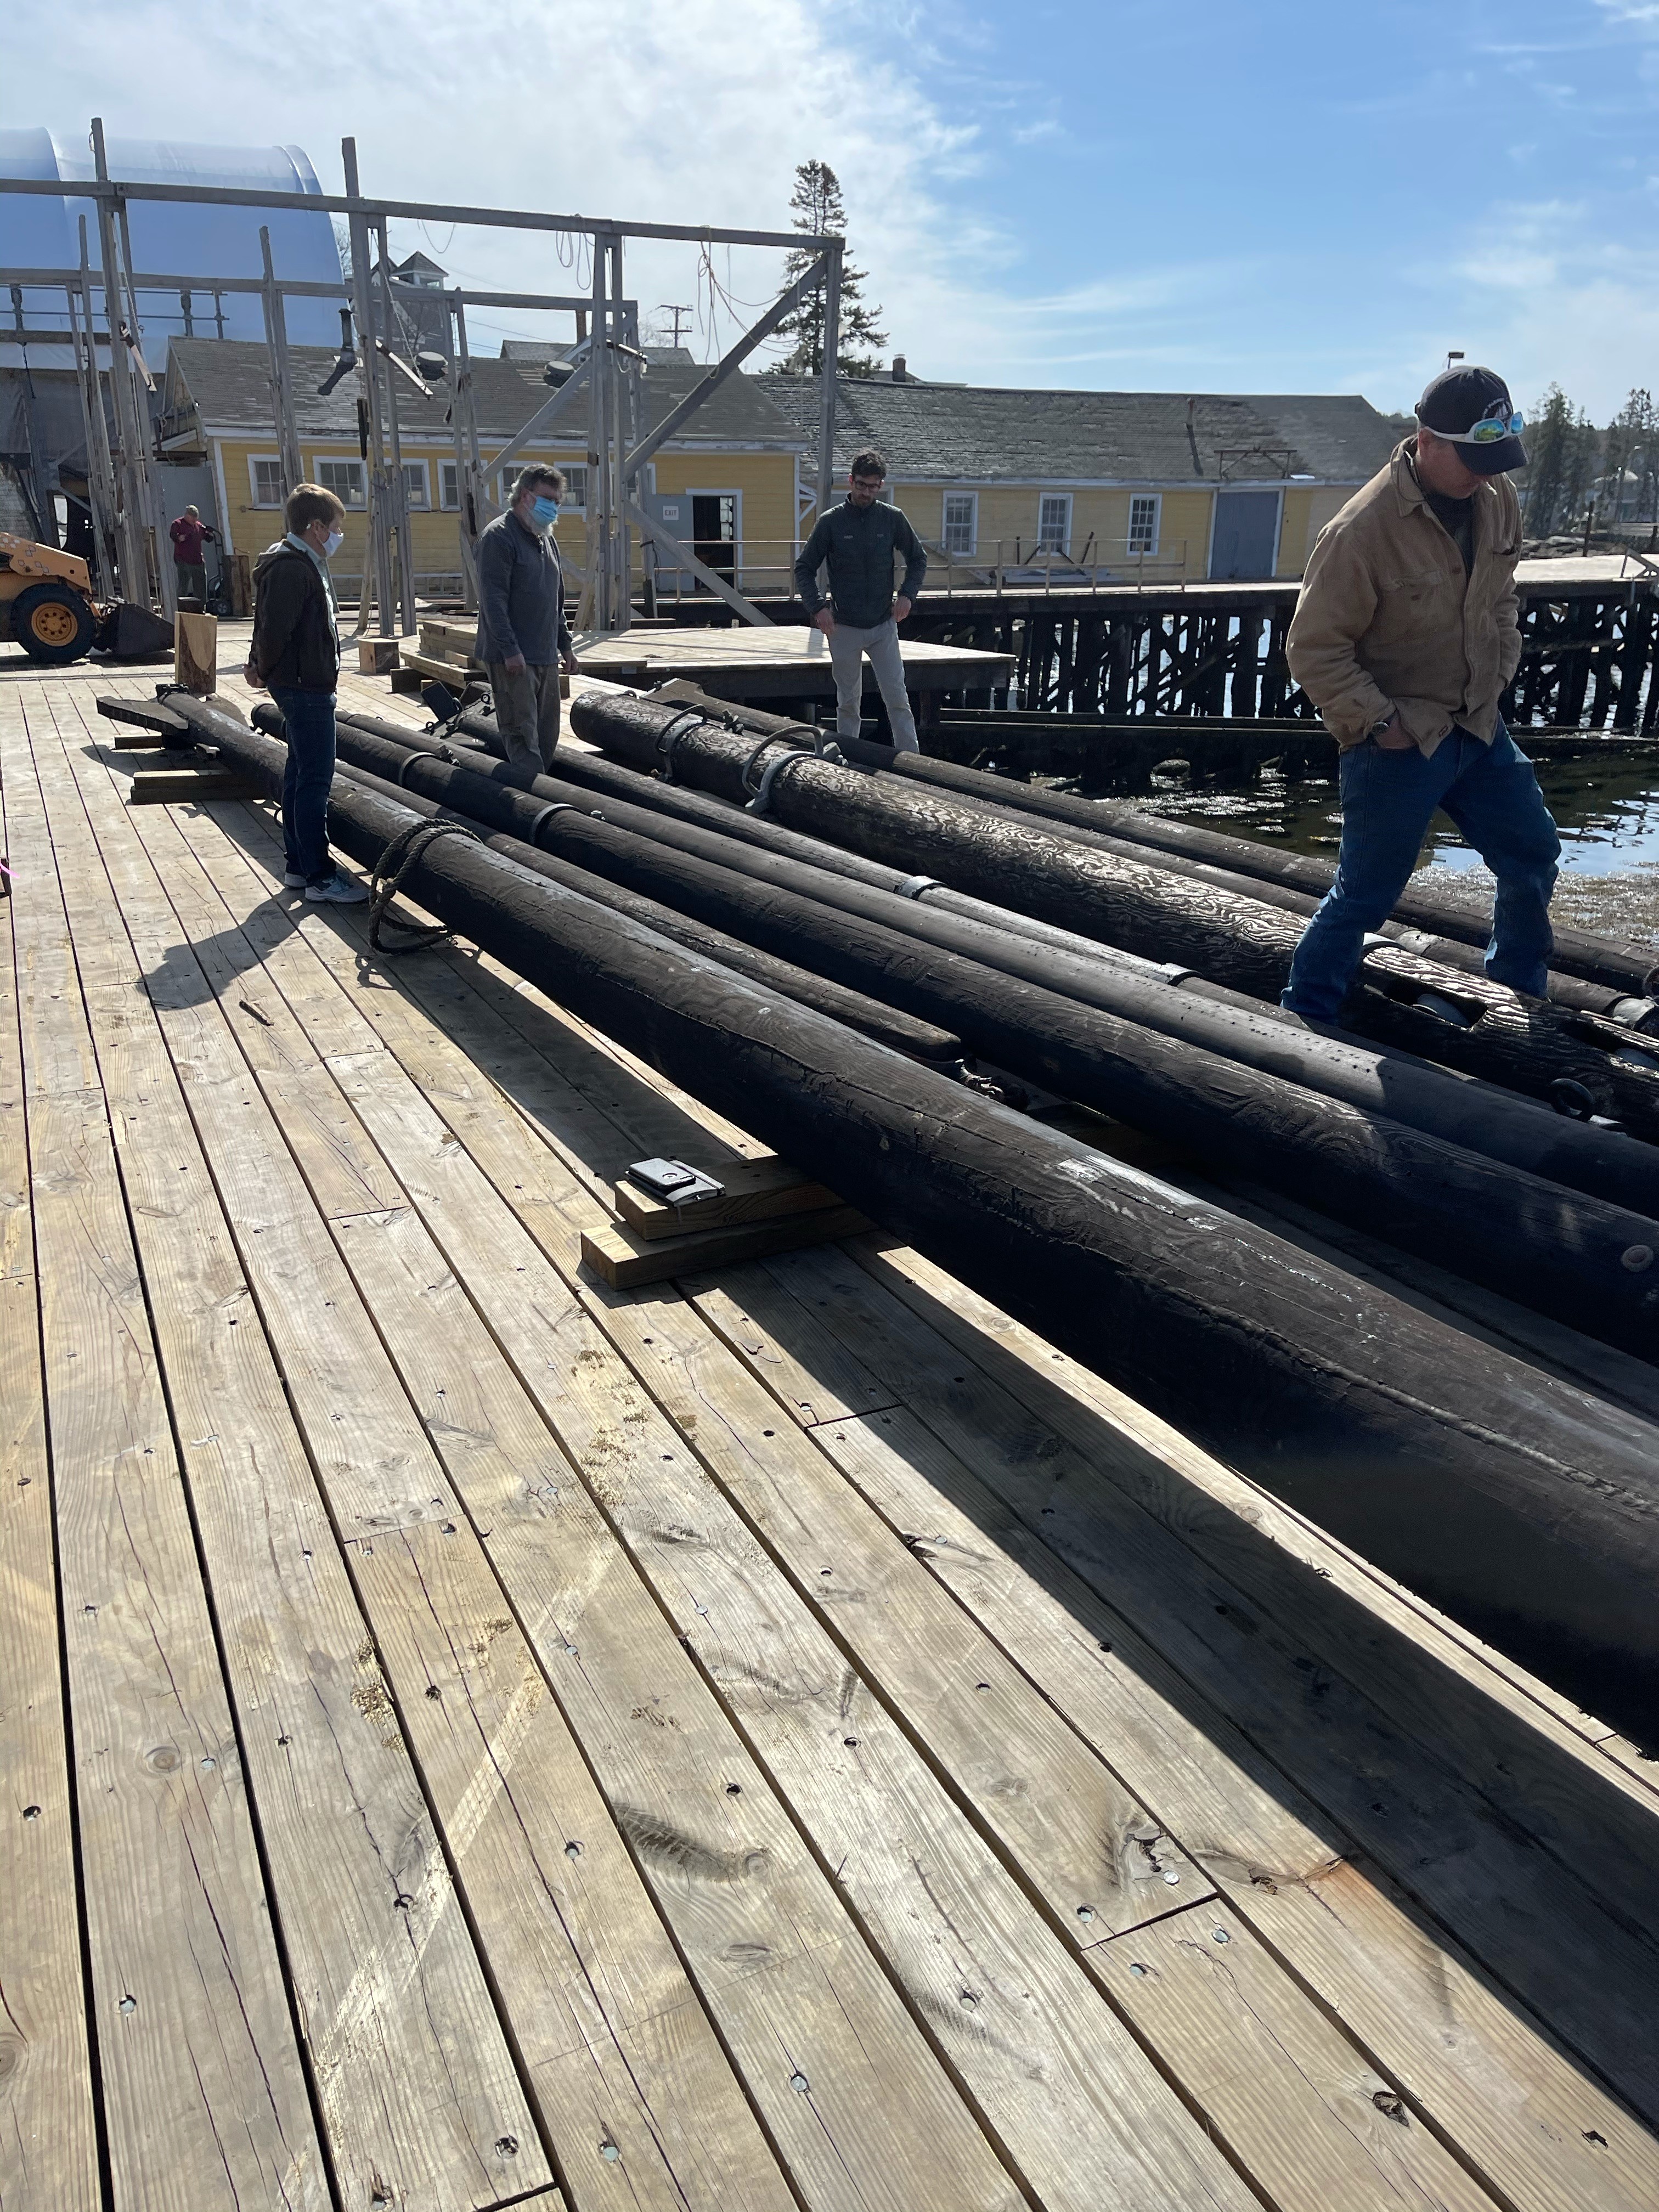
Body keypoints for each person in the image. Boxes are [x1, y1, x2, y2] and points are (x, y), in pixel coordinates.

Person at [1281, 365, 1559, 1023]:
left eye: (1496, 458)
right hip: (1401, 740)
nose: (1485, 474)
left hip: (1480, 726)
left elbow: (1501, 597)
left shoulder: (1497, 499)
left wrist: (1500, 671)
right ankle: (1305, 1016)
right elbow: (1314, 649)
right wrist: (1382, 725)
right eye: (1473, 458)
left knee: (1532, 853)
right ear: (1425, 439)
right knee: (1366, 896)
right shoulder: (1360, 530)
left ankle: (1519, 994)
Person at [244, 482, 366, 904]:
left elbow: (266, 624)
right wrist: (263, 667)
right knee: (315, 782)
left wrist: (260, 664)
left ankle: (298, 866)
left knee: (298, 776)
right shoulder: (294, 568)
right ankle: (319, 875)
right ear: (316, 527)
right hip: (305, 689)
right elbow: (274, 630)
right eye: (335, 527)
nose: (337, 535)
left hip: (301, 685)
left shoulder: (296, 563)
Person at [794, 449, 928, 751]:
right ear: (850, 481)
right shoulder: (831, 522)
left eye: (874, 486)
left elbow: (918, 559)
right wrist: (817, 608)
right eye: (862, 485)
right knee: (848, 701)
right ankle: (849, 763)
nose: (867, 492)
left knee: (897, 697)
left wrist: (907, 595)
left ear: (881, 486)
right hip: (843, 627)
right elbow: (804, 567)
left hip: (883, 625)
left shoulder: (892, 519)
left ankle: (915, 766)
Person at [476, 464, 580, 774]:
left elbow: (555, 599)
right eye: (549, 499)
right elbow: (493, 602)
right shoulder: (498, 537)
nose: (554, 507)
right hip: (514, 658)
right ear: (525, 496)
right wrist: (510, 650)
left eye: (558, 501)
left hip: (545, 654)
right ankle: (531, 806)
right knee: (522, 734)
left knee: (547, 736)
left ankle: (541, 790)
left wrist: (566, 646)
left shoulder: (547, 539)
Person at [169, 503, 217, 605]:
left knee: (200, 586)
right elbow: (173, 536)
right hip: (183, 560)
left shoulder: (198, 526)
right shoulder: (178, 524)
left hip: (198, 561)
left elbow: (209, 539)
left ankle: (201, 607)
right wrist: (179, 538)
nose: (194, 520)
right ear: (187, 515)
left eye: (196, 518)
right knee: (184, 585)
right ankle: (181, 607)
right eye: (193, 518)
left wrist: (210, 533)